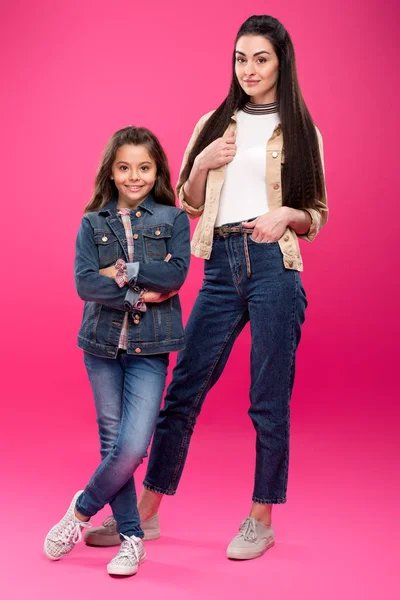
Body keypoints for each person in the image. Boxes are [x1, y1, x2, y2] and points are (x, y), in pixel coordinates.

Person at [86, 13, 328, 561]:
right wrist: (201, 164)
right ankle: (145, 515)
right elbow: (188, 203)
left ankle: (260, 517)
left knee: (268, 400)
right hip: (219, 266)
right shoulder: (215, 123)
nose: (249, 69)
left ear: (281, 63)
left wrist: (286, 213)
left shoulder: (302, 131)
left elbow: (317, 214)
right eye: (241, 58)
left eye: (261, 58)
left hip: (274, 267)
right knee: (183, 391)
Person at [43, 126, 190, 576]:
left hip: (151, 349)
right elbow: (85, 283)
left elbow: (177, 275)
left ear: (156, 171)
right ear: (111, 171)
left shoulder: (174, 218)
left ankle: (81, 511)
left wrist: (125, 270)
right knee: (112, 443)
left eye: (144, 168)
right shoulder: (92, 222)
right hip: (102, 346)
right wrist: (137, 292)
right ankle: (132, 538)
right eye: (124, 167)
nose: (134, 177)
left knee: (131, 446)